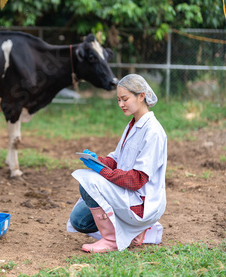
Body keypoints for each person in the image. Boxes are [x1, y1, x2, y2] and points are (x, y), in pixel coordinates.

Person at [68, 74, 167, 253]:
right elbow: (117, 159)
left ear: (141, 96)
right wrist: (98, 160)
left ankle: (112, 240)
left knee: (88, 182)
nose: (121, 104)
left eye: (125, 99)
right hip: (126, 193)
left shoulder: (153, 131)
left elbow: (137, 179)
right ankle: (135, 233)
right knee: (79, 221)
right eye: (118, 100)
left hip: (142, 202)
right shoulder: (132, 124)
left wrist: (101, 172)